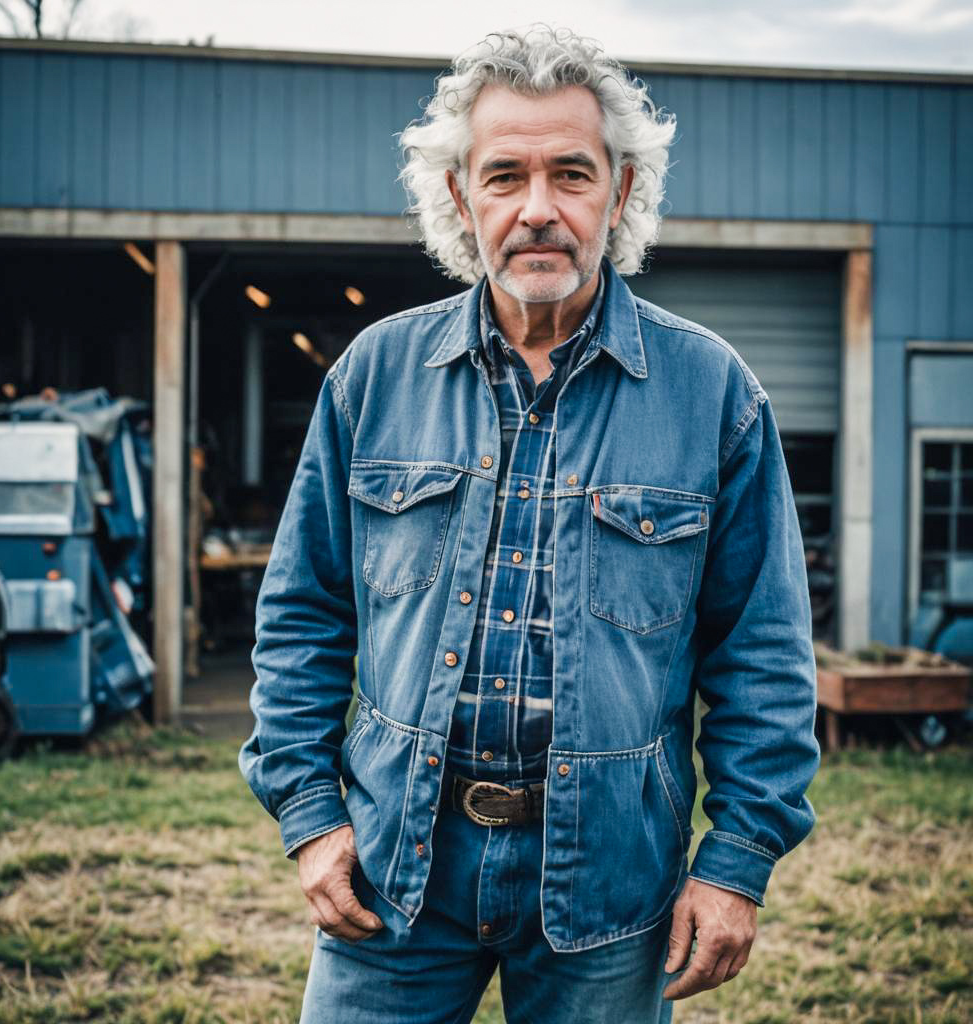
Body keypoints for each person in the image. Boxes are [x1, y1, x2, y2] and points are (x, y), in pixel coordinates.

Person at [239, 24, 821, 1024]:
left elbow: (759, 655)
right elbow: (302, 614)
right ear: (461, 197)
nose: (539, 210)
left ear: (622, 192)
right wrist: (308, 815)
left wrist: (736, 860)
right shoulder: (373, 377)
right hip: (393, 873)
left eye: (572, 174)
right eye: (504, 176)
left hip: (608, 884)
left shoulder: (713, 394)